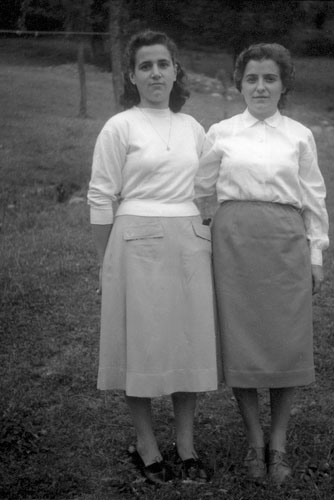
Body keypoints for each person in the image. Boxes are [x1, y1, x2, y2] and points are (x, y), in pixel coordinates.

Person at [87, 30, 217, 484]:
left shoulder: (193, 127)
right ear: (132, 75)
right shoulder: (120, 126)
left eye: (163, 64)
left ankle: (186, 445)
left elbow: (211, 187)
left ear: (175, 71)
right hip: (135, 243)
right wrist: (106, 263)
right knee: (138, 342)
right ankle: (146, 444)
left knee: (186, 340)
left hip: (189, 243)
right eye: (146, 66)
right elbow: (101, 196)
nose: (155, 73)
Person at [195, 42, 329, 485]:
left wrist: (315, 254)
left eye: (270, 78)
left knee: (286, 340)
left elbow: (313, 197)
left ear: (283, 84)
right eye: (251, 78)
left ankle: (279, 442)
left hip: (285, 243)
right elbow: (201, 189)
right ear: (239, 84)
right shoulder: (222, 132)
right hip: (233, 245)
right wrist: (205, 233)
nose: (260, 86)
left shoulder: (299, 135)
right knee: (243, 342)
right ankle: (254, 441)